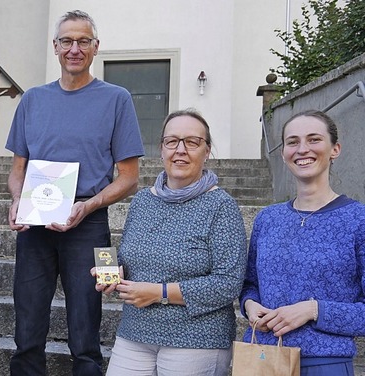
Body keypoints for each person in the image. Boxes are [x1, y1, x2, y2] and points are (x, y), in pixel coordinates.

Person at [5, 10, 145, 375]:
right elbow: (17, 171)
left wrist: (88, 205)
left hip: (88, 224)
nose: (74, 48)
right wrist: (18, 199)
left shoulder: (117, 99)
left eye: (83, 41)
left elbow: (129, 177)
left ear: (96, 47)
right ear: (55, 47)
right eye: (67, 41)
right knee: (27, 331)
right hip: (35, 225)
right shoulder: (33, 100)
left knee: (86, 334)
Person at [93, 109, 247, 376]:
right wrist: (116, 276)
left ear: (207, 150)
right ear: (162, 149)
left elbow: (228, 283)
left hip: (197, 339)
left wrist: (160, 293)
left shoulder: (221, 206)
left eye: (192, 142)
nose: (180, 150)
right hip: (135, 332)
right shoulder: (142, 201)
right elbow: (131, 262)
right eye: (172, 141)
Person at [240, 110, 365, 376]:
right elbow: (250, 285)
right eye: (293, 142)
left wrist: (313, 310)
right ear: (284, 153)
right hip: (265, 359)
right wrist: (250, 306)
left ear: (335, 149)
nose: (302, 149)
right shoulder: (267, 218)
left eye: (314, 139)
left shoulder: (358, 220)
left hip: (325, 364)